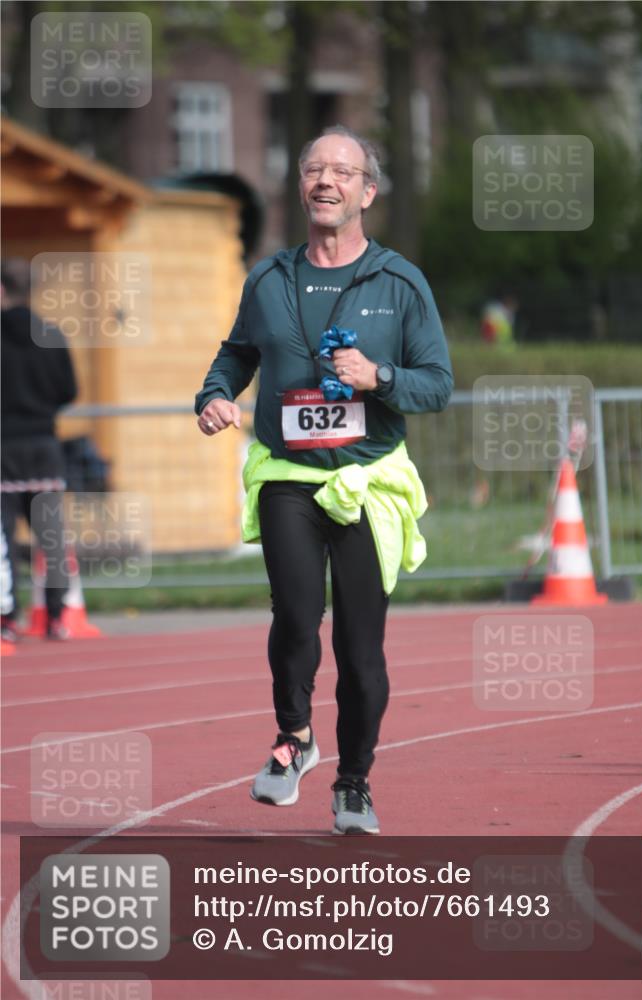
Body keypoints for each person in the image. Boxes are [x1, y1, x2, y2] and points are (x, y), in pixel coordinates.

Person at [195, 125, 453, 834]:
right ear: (301, 185)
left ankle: (354, 780)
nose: (325, 180)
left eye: (342, 171)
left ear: (366, 192)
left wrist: (382, 377)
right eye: (313, 168)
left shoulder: (399, 282)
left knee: (360, 652)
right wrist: (214, 395)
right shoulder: (270, 279)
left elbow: (437, 385)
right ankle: (294, 738)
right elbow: (235, 356)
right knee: (294, 616)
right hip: (288, 475)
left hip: (368, 482)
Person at [1, 258, 78, 643]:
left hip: (4, 449)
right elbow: (68, 391)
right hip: (44, 447)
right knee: (51, 538)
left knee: (4, 539)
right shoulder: (51, 334)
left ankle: (6, 619)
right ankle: (56, 617)